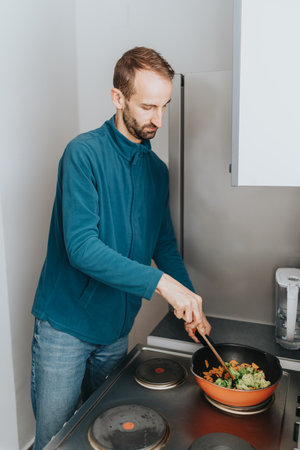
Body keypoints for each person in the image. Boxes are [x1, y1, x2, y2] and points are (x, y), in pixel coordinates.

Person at [30, 46, 211, 450]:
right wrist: (163, 285)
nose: (158, 120)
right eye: (148, 106)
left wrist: (189, 301)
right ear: (118, 98)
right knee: (57, 442)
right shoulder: (83, 154)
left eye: (164, 106)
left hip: (115, 333)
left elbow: (163, 245)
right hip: (65, 330)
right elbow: (81, 248)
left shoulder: (156, 172)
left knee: (106, 439)